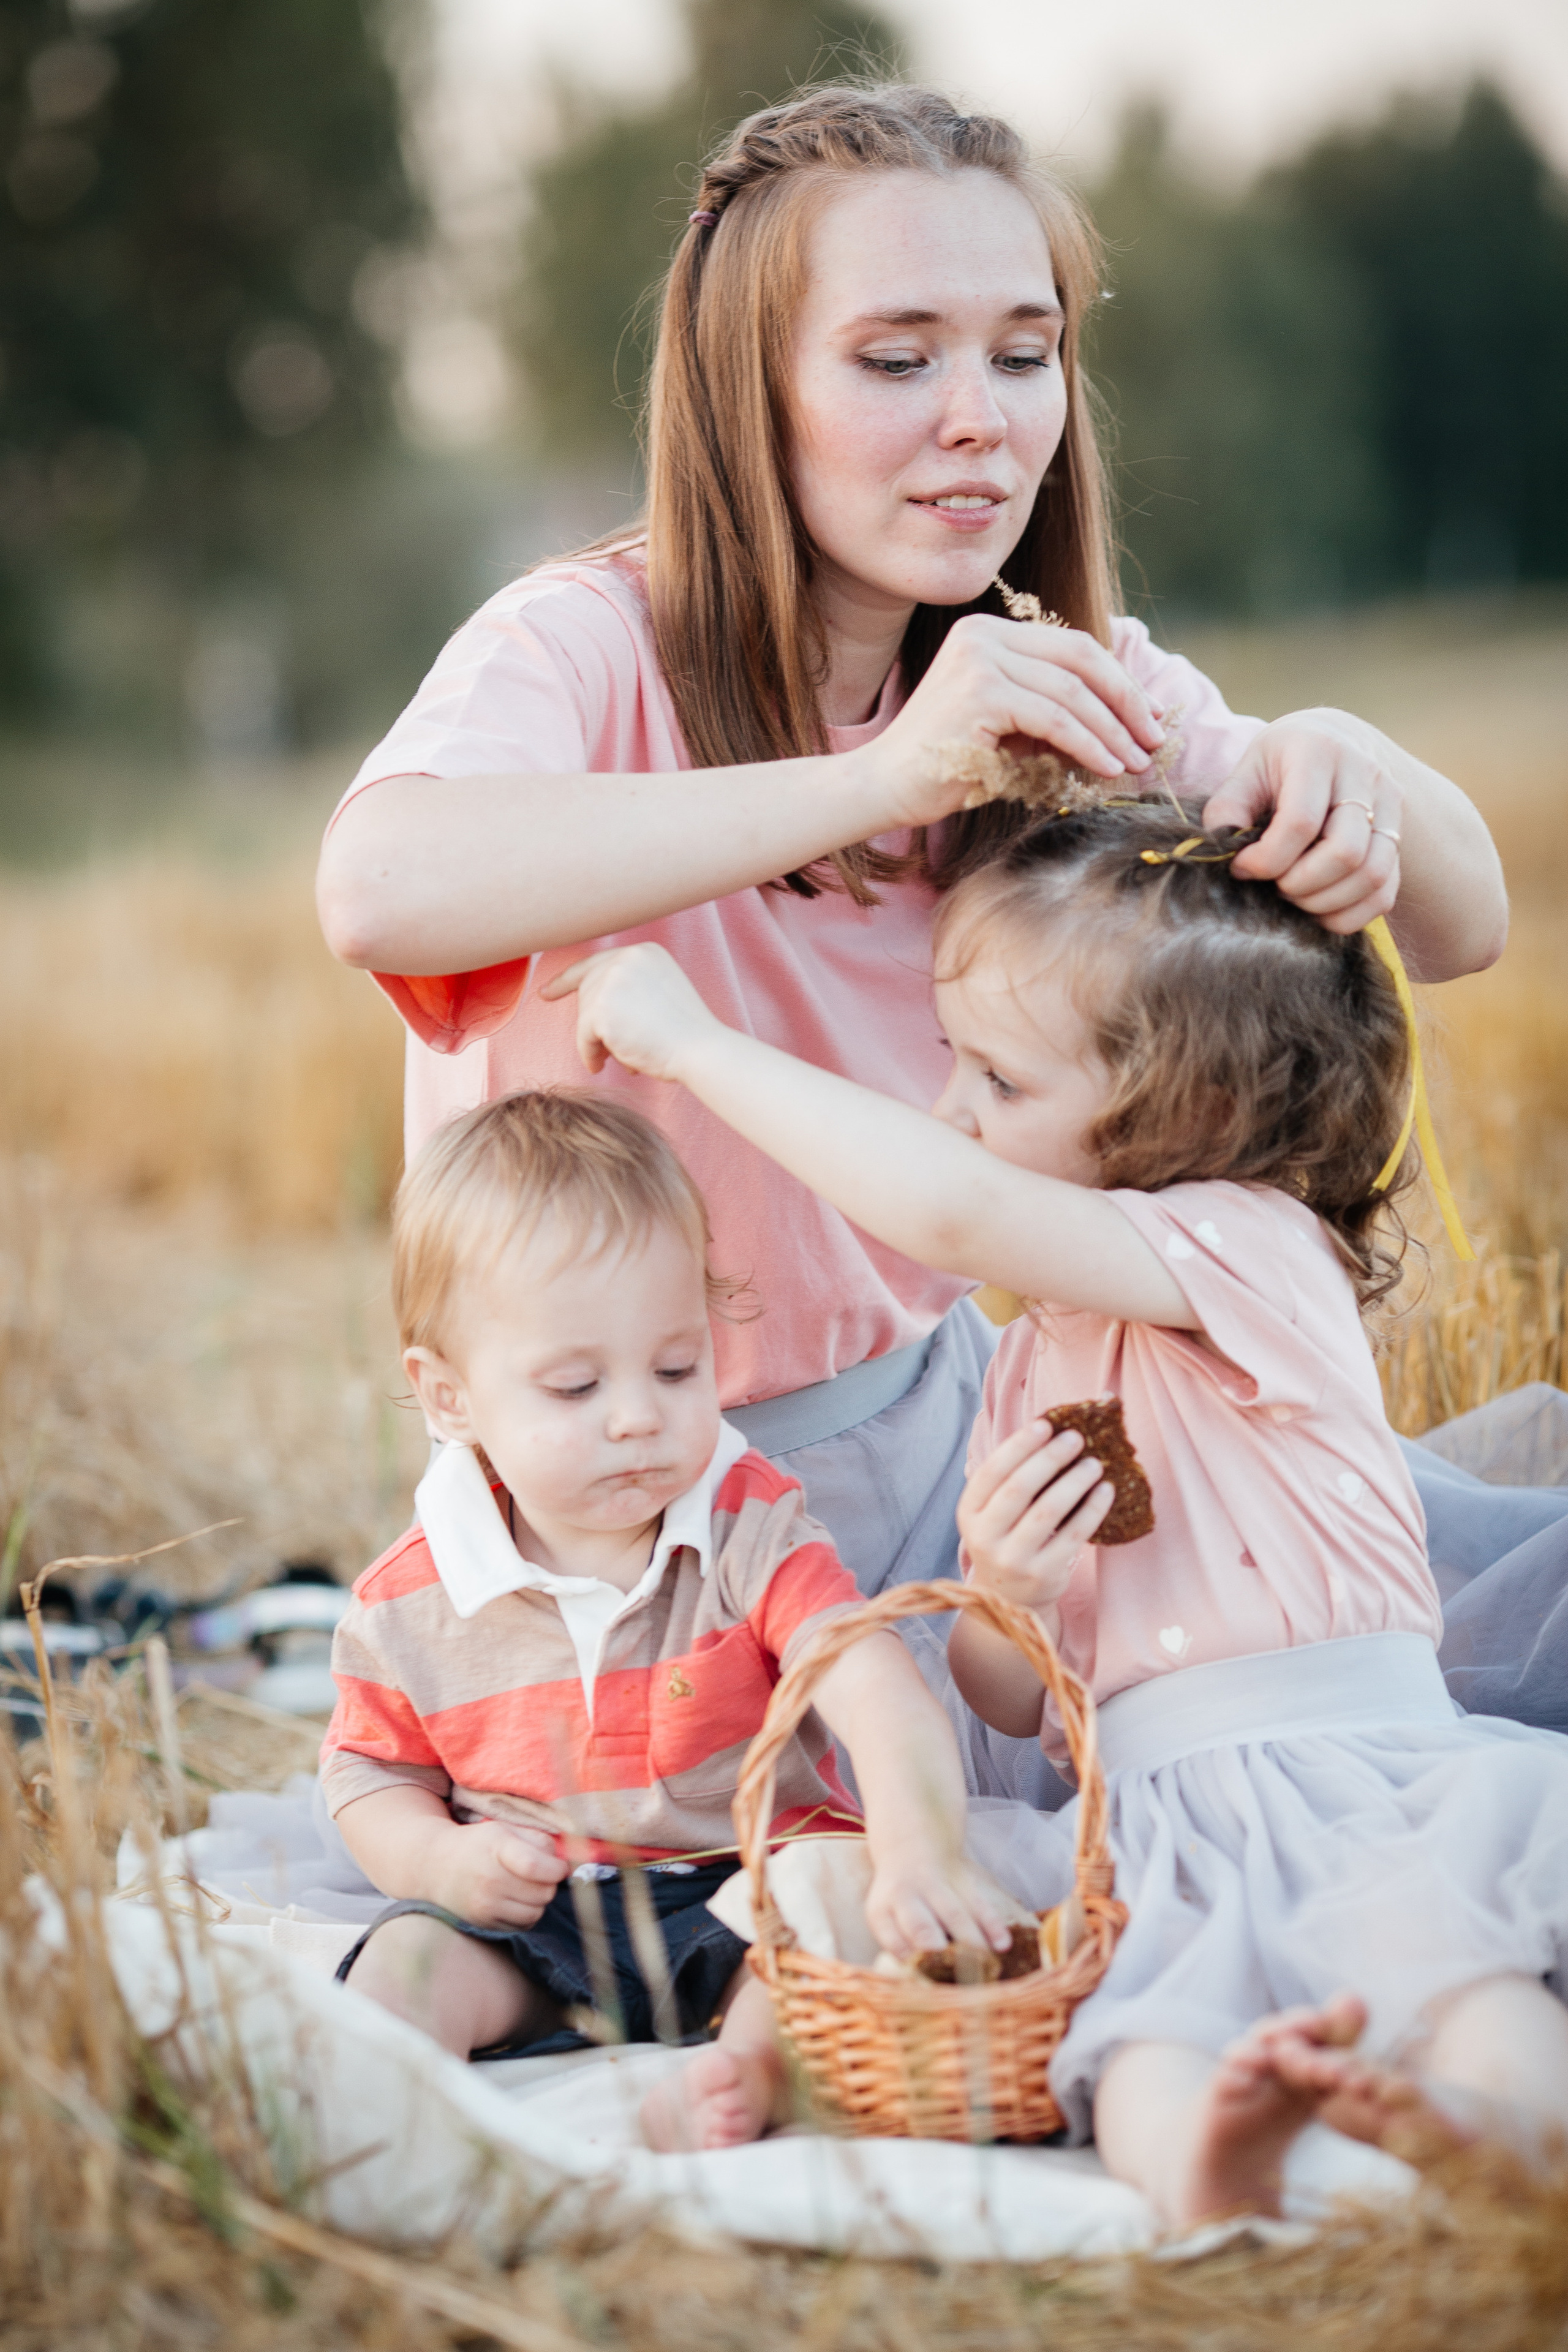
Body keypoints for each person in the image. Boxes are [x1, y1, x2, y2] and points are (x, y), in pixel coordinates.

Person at [315, 83, 1553, 1789]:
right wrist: (885, 773)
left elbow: (1467, 919)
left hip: (956, 1430)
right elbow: (377, 886)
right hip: (639, 1485)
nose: (979, 421)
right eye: (897, 360)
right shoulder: (583, 646)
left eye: (1024, 353)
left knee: (1345, 1695)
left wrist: (1347, 762)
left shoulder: (1045, 667)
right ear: (753, 396)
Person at [551, 794, 1568, 2222]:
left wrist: (693, 1046)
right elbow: (1013, 1706)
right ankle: (1211, 2158)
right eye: (950, 1064)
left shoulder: (1250, 1250)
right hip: (1150, 1812)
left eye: (997, 1082)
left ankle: (1506, 2128)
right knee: (1136, 2037)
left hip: (1354, 1766)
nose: (952, 1109)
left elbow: (952, 1211)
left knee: (1446, 1964)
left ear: (1183, 1118)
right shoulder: (1035, 1357)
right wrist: (1005, 1593)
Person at [322, 1088, 1016, 2150]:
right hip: (537, 1913)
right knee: (403, 1965)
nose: (639, 1414)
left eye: (678, 1367)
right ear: (450, 1397)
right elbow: (372, 1778)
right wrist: (438, 1866)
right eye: (575, 1386)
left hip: (747, 1886)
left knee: (821, 1937)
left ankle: (744, 2072)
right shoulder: (410, 1599)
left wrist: (921, 1846)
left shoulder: (750, 1529)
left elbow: (868, 1675)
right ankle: (385, 2101)